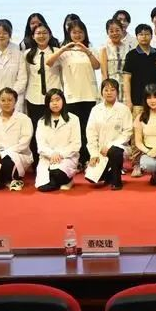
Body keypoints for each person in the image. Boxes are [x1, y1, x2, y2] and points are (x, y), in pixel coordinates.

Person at [52, 19, 99, 166]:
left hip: (89, 94)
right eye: (74, 32)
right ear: (69, 33)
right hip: (71, 96)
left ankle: (88, 158)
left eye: (80, 32)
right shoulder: (64, 51)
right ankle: (77, 160)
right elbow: (49, 62)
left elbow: (97, 66)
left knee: (88, 128)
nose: (77, 35)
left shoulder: (90, 48)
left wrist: (87, 51)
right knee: (75, 129)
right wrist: (63, 49)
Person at [124, 23, 156, 176]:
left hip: (155, 100)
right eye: (141, 34)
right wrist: (128, 100)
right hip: (137, 100)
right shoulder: (131, 55)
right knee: (136, 133)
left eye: (147, 34)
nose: (144, 37)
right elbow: (127, 79)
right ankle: (136, 164)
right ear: (137, 37)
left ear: (151, 36)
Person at [0, 87, 34, 191]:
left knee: (7, 162)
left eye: (10, 100)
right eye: (3, 100)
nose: (6, 103)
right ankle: (8, 180)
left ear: (15, 101)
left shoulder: (24, 119)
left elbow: (23, 144)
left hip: (18, 155)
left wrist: (2, 154)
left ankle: (10, 177)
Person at [84, 78, 133, 190]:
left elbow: (127, 132)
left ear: (117, 92)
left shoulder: (124, 109)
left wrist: (111, 146)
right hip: (100, 150)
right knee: (92, 178)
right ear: (101, 92)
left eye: (112, 90)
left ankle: (117, 181)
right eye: (106, 90)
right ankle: (109, 173)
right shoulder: (95, 110)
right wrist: (94, 154)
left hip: (120, 147)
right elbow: (91, 133)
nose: (109, 92)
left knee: (115, 151)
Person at [24, 24, 62, 162]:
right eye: (38, 33)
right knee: (36, 130)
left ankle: (56, 158)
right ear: (33, 36)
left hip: (53, 98)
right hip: (34, 97)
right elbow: (26, 76)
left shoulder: (58, 52)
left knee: (54, 128)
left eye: (44, 33)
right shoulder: (27, 54)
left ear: (50, 35)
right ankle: (37, 161)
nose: (41, 36)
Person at [35, 88, 81, 192]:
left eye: (57, 100)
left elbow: (76, 144)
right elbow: (41, 145)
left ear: (63, 101)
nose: (55, 103)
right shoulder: (41, 121)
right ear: (47, 103)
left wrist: (59, 154)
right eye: (51, 101)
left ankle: (68, 180)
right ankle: (57, 181)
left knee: (57, 172)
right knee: (43, 187)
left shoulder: (73, 119)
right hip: (48, 158)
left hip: (67, 157)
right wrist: (52, 154)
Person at [100, 18, 131, 89]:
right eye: (111, 31)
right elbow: (104, 73)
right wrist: (107, 88)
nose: (115, 33)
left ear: (122, 30)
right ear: (107, 33)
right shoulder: (104, 48)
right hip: (111, 86)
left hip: (127, 85)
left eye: (117, 30)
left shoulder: (128, 48)